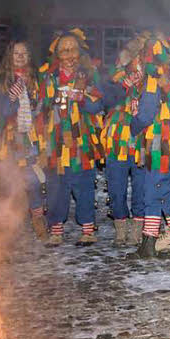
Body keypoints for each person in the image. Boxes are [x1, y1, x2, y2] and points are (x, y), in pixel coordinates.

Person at [122, 33, 170, 261]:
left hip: (157, 144)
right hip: (165, 142)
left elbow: (147, 113)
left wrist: (133, 126)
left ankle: (154, 244)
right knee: (165, 192)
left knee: (153, 192)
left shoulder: (153, 79)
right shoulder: (168, 76)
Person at [36, 29, 105, 246]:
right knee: (56, 185)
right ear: (57, 54)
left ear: (80, 52)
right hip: (56, 141)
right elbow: (40, 107)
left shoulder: (89, 74)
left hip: (81, 141)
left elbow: (98, 105)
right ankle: (56, 229)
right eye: (64, 50)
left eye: (73, 49)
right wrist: (53, 98)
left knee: (83, 184)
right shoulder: (48, 76)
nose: (69, 54)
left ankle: (88, 229)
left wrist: (83, 98)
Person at [0, 40, 47, 239]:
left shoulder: (35, 78)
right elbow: (3, 110)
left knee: (33, 179)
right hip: (10, 138)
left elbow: (43, 105)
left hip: (31, 136)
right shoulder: (2, 80)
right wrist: (12, 96)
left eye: (24, 53)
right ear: (10, 56)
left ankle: (38, 219)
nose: (21, 57)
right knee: (11, 180)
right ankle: (9, 225)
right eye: (17, 53)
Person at [100, 38, 146, 247]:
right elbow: (105, 102)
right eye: (128, 53)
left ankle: (137, 229)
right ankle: (120, 229)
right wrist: (123, 86)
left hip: (141, 142)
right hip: (116, 142)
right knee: (116, 188)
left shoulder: (150, 78)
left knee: (140, 188)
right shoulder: (111, 78)